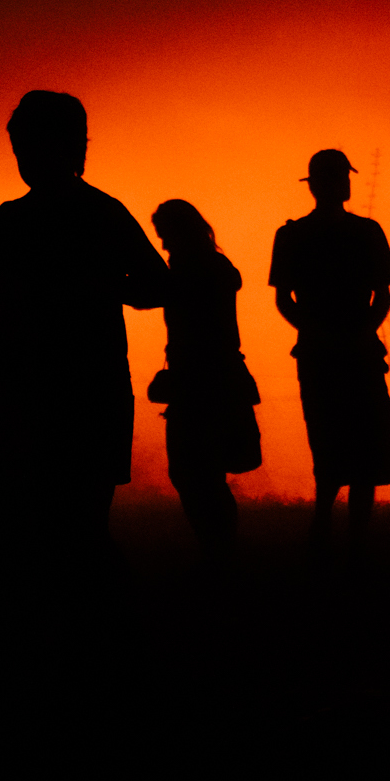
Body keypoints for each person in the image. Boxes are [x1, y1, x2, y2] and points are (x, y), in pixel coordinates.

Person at [0, 91, 169, 549]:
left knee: (67, 527)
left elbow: (160, 285)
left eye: (29, 147)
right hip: (67, 389)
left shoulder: (28, 219)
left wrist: (98, 286)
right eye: (19, 150)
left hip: (75, 391)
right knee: (74, 527)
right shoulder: (88, 212)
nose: (24, 159)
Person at [269, 149, 390, 550]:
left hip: (324, 353)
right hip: (351, 353)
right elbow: (383, 298)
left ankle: (327, 526)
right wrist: (361, 332)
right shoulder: (365, 231)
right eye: (341, 176)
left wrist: (316, 332)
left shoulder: (293, 234)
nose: (344, 183)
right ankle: (345, 532)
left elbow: (284, 301)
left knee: (330, 439)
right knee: (360, 442)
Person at [148, 199, 261, 566]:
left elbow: (150, 295)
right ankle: (221, 550)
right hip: (218, 379)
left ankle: (218, 551)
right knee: (204, 473)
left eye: (165, 236)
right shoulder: (215, 268)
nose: (163, 245)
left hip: (198, 381)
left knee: (193, 472)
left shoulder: (188, 271)